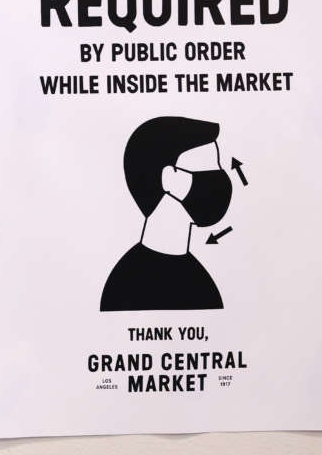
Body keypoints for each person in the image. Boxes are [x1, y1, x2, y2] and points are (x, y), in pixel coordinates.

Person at [100, 116, 233, 312]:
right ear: (169, 178)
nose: (219, 178)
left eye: (218, 167)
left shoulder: (199, 282)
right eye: (207, 168)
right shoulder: (126, 286)